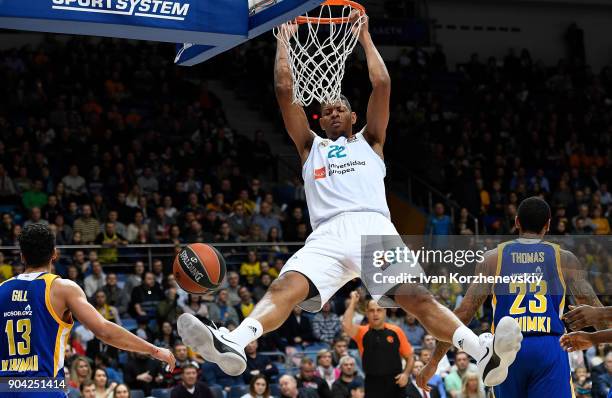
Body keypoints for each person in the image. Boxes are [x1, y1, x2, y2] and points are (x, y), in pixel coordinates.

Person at [177, 14, 521, 389]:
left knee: (416, 298)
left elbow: (382, 83)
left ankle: (482, 354)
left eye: (341, 108)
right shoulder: (311, 147)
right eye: (327, 111)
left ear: (354, 116)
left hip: (373, 229)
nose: (334, 112)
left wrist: (366, 38)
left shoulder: (371, 141)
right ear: (320, 120)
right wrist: (282, 41)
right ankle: (235, 341)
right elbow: (282, 89)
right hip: (326, 235)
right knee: (284, 288)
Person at [417, 197, 604, 398]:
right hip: (550, 347)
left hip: (506, 351)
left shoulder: (493, 258)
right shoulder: (564, 258)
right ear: (548, 224)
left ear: (516, 222)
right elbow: (596, 310)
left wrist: (434, 361)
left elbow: (463, 314)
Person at [0, 224, 175, 398]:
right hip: (44, 387)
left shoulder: (2, 289)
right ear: (54, 253)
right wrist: (154, 350)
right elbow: (104, 331)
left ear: (22, 256)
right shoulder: (61, 288)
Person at [343, 292, 413, 397]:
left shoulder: (396, 331)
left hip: (395, 383)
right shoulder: (361, 332)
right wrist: (353, 301)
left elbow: (410, 357)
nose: (375, 314)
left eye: (379, 310)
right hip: (372, 384)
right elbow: (346, 325)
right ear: (367, 313)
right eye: (372, 311)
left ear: (385, 312)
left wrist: (406, 374)